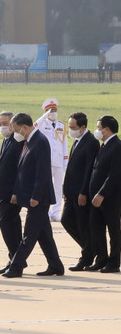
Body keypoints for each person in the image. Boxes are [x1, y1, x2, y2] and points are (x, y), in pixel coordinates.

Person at [2, 113, 64, 278]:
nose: (15, 133)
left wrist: (35, 196)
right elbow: (24, 171)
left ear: (25, 127)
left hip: (39, 197)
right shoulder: (29, 141)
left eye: (16, 129)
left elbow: (42, 173)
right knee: (44, 234)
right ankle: (56, 265)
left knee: (29, 235)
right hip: (31, 196)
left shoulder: (40, 142)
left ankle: (16, 267)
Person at [61, 112, 98, 271]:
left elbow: (89, 170)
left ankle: (87, 256)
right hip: (71, 193)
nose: (71, 130)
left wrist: (84, 193)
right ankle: (90, 248)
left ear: (83, 127)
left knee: (83, 225)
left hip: (81, 194)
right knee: (66, 221)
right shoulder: (77, 140)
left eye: (73, 127)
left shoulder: (91, 142)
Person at [0, 111, 24, 274]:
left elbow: (20, 171)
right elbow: (1, 170)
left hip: (12, 193)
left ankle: (16, 259)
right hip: (3, 192)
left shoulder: (17, 142)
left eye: (6, 123)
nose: (3, 126)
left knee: (6, 224)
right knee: (12, 226)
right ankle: (16, 259)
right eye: (0, 124)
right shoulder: (6, 141)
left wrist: (16, 192)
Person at [87, 115, 121, 273]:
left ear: (107, 129)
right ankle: (101, 259)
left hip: (110, 198)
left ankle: (114, 262)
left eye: (99, 128)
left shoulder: (117, 146)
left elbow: (114, 175)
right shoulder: (104, 146)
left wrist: (102, 194)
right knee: (96, 229)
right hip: (96, 198)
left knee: (113, 231)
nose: (97, 130)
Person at [35, 98, 68, 222]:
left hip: (58, 160)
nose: (53, 112)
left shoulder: (61, 125)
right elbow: (34, 126)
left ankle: (55, 212)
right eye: (50, 110)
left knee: (58, 188)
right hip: (45, 160)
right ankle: (46, 211)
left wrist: (65, 161)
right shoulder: (42, 124)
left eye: (55, 110)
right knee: (45, 186)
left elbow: (64, 144)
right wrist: (44, 116)